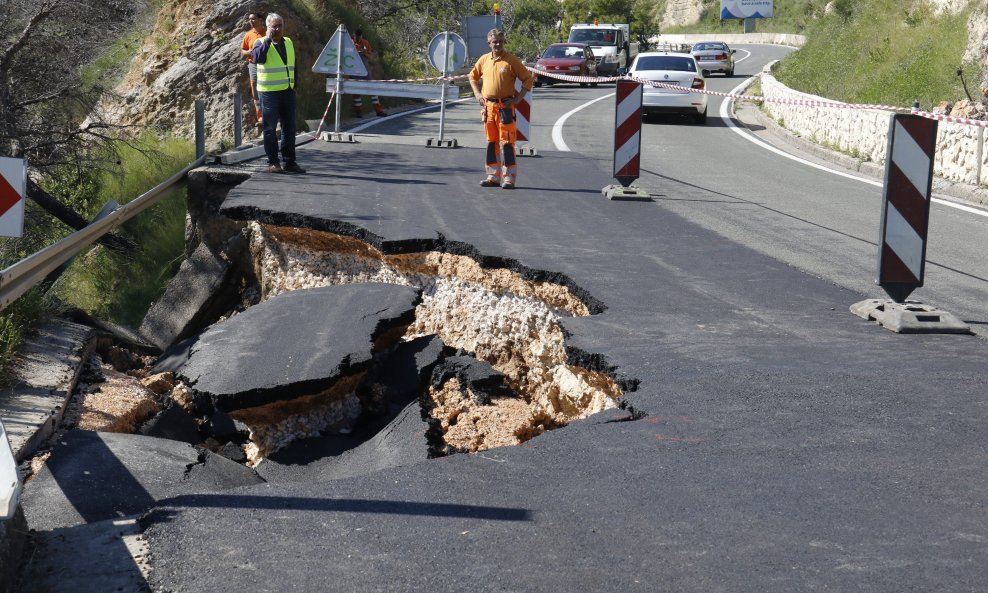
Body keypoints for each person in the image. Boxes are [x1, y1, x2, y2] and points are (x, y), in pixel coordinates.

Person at [468, 29, 533, 190]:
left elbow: (528, 80)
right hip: (489, 108)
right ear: (489, 43)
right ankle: (493, 176)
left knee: (507, 144)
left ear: (504, 42)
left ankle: (509, 178)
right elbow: (472, 76)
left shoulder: (512, 61)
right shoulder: (484, 60)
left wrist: (518, 99)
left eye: (500, 41)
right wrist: (477, 94)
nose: (497, 44)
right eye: (494, 41)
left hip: (505, 108)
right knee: (492, 143)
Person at [252, 13, 305, 174]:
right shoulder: (260, 42)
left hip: (287, 91)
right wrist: (268, 40)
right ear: (267, 27)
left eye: (279, 25)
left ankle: (290, 162)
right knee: (269, 129)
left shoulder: (288, 41)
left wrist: (295, 82)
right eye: (273, 26)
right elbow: (257, 59)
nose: (277, 29)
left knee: (289, 127)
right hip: (269, 93)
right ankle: (273, 162)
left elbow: (293, 63)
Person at [350, 29, 387, 118]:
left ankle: (379, 111)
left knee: (372, 89)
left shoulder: (365, 43)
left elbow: (370, 57)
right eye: (356, 37)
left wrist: (365, 53)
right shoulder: (350, 43)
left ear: (361, 36)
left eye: (359, 36)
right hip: (354, 71)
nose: (358, 39)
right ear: (353, 36)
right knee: (356, 92)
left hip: (366, 70)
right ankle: (359, 112)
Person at [240, 11, 266, 123]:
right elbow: (242, 51)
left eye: (253, 18)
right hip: (253, 65)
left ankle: (271, 114)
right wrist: (250, 52)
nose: (251, 21)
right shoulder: (248, 35)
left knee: (267, 88)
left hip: (267, 64)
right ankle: (260, 116)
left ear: (260, 20)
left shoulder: (267, 32)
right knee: (255, 88)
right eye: (250, 19)